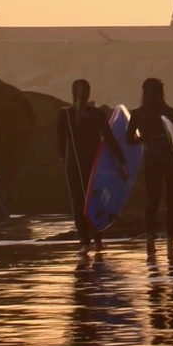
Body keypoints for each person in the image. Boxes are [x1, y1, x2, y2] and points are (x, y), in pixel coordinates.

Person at [125, 78, 173, 257]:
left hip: (151, 161)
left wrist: (143, 139)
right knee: (172, 202)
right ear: (161, 92)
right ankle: (170, 241)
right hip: (171, 160)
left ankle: (150, 240)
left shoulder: (138, 113)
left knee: (152, 201)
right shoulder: (169, 112)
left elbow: (128, 139)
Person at [57, 79, 128, 256]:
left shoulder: (64, 114)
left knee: (78, 203)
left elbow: (60, 143)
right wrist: (122, 161)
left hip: (74, 165)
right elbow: (110, 139)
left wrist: (63, 161)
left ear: (72, 93)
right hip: (95, 165)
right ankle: (98, 241)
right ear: (89, 94)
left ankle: (84, 243)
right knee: (96, 201)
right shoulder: (97, 114)